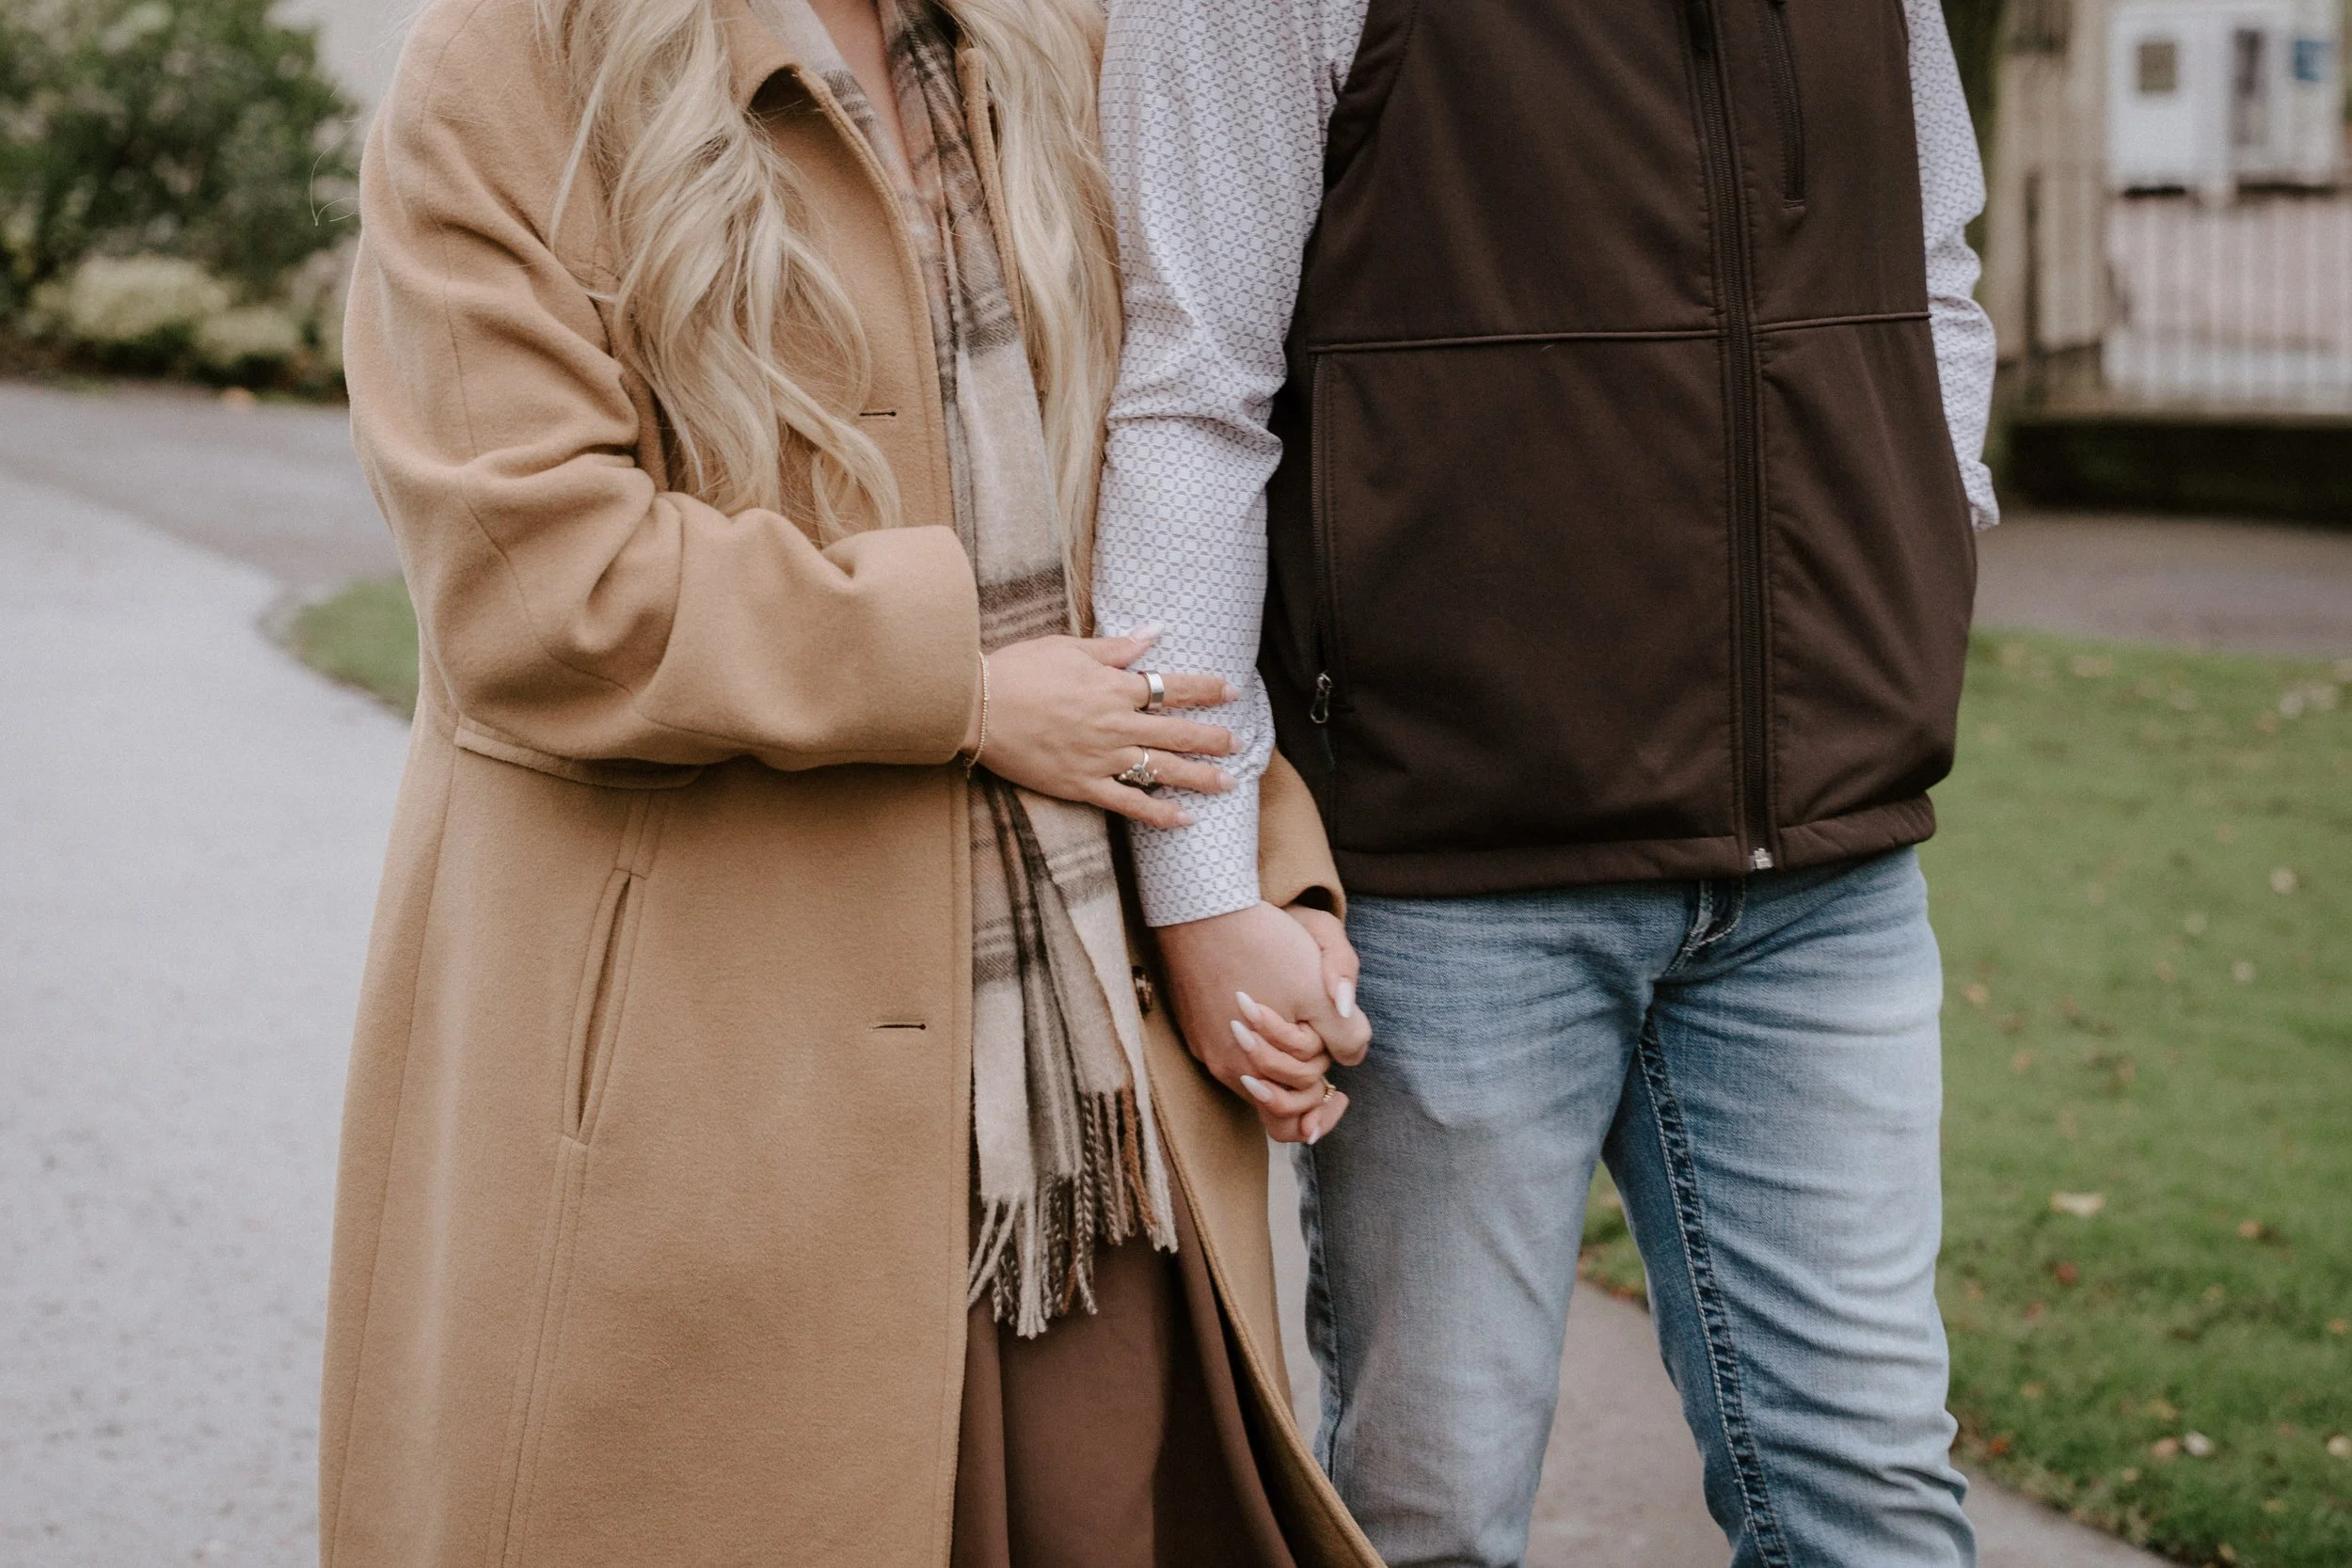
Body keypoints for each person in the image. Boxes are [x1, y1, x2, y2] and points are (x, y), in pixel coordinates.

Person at [322, 0, 1381, 1562]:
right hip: (703, 1128)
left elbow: (1167, 511)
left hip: (1082, 1137)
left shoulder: (1057, 41)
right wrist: (951, 683)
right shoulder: (514, 60)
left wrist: (1256, 872)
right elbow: (531, 582)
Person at [1094, 0, 2001, 1564]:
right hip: (1454, 891)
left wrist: (1923, 550)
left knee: (1878, 1510)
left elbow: (1930, 273)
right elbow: (1189, 394)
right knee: (1429, 1525)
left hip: (1823, 883)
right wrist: (1203, 876)